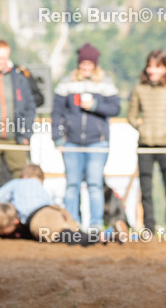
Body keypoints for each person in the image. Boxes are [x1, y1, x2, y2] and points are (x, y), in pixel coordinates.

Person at [52, 42, 121, 230]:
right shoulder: (67, 83)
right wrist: (57, 137)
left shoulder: (105, 83)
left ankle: (96, 224)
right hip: (71, 143)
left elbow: (116, 108)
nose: (86, 67)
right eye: (83, 64)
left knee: (94, 184)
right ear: (79, 63)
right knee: (72, 184)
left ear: (95, 65)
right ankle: (72, 223)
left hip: (97, 143)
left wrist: (96, 106)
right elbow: (56, 112)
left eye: (90, 64)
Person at [127, 49, 166, 233]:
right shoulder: (140, 89)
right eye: (149, 66)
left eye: (156, 67)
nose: (152, 70)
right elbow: (131, 116)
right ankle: (149, 227)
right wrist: (140, 127)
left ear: (165, 68)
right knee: (145, 189)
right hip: (145, 145)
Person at [0, 39, 36, 185]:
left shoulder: (19, 79)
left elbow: (30, 108)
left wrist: (26, 133)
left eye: (4, 58)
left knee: (20, 175)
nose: (1, 61)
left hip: (16, 137)